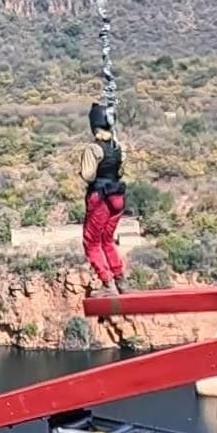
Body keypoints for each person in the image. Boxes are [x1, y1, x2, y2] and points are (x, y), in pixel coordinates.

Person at [77, 102, 127, 295]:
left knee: (92, 242)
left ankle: (107, 284)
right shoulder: (118, 147)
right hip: (118, 196)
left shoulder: (93, 149)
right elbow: (121, 170)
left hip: (100, 198)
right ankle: (121, 280)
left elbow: (88, 175)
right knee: (108, 240)